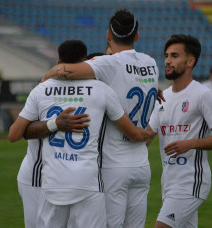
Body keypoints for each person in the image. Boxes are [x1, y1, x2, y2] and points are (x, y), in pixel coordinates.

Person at [8, 39, 154, 228]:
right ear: (86, 63)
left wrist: (53, 124)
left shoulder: (42, 89)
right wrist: (147, 133)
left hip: (51, 180)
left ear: (59, 63)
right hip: (82, 181)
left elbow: (14, 134)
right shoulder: (101, 90)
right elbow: (133, 131)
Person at [41, 8, 160, 228]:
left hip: (113, 165)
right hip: (142, 165)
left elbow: (67, 70)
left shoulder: (108, 63)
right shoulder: (151, 63)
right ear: (137, 35)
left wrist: (48, 75)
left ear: (108, 35)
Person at [146, 34, 212, 228]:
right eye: (166, 55)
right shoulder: (162, 98)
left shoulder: (202, 95)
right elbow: (146, 137)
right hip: (169, 183)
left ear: (190, 61)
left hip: (191, 183)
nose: (167, 61)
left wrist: (190, 143)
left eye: (174, 56)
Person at [8, 40, 90, 228]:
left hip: (67, 177)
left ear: (58, 60)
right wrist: (55, 124)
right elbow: (14, 134)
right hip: (38, 175)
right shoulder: (43, 89)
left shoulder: (89, 90)